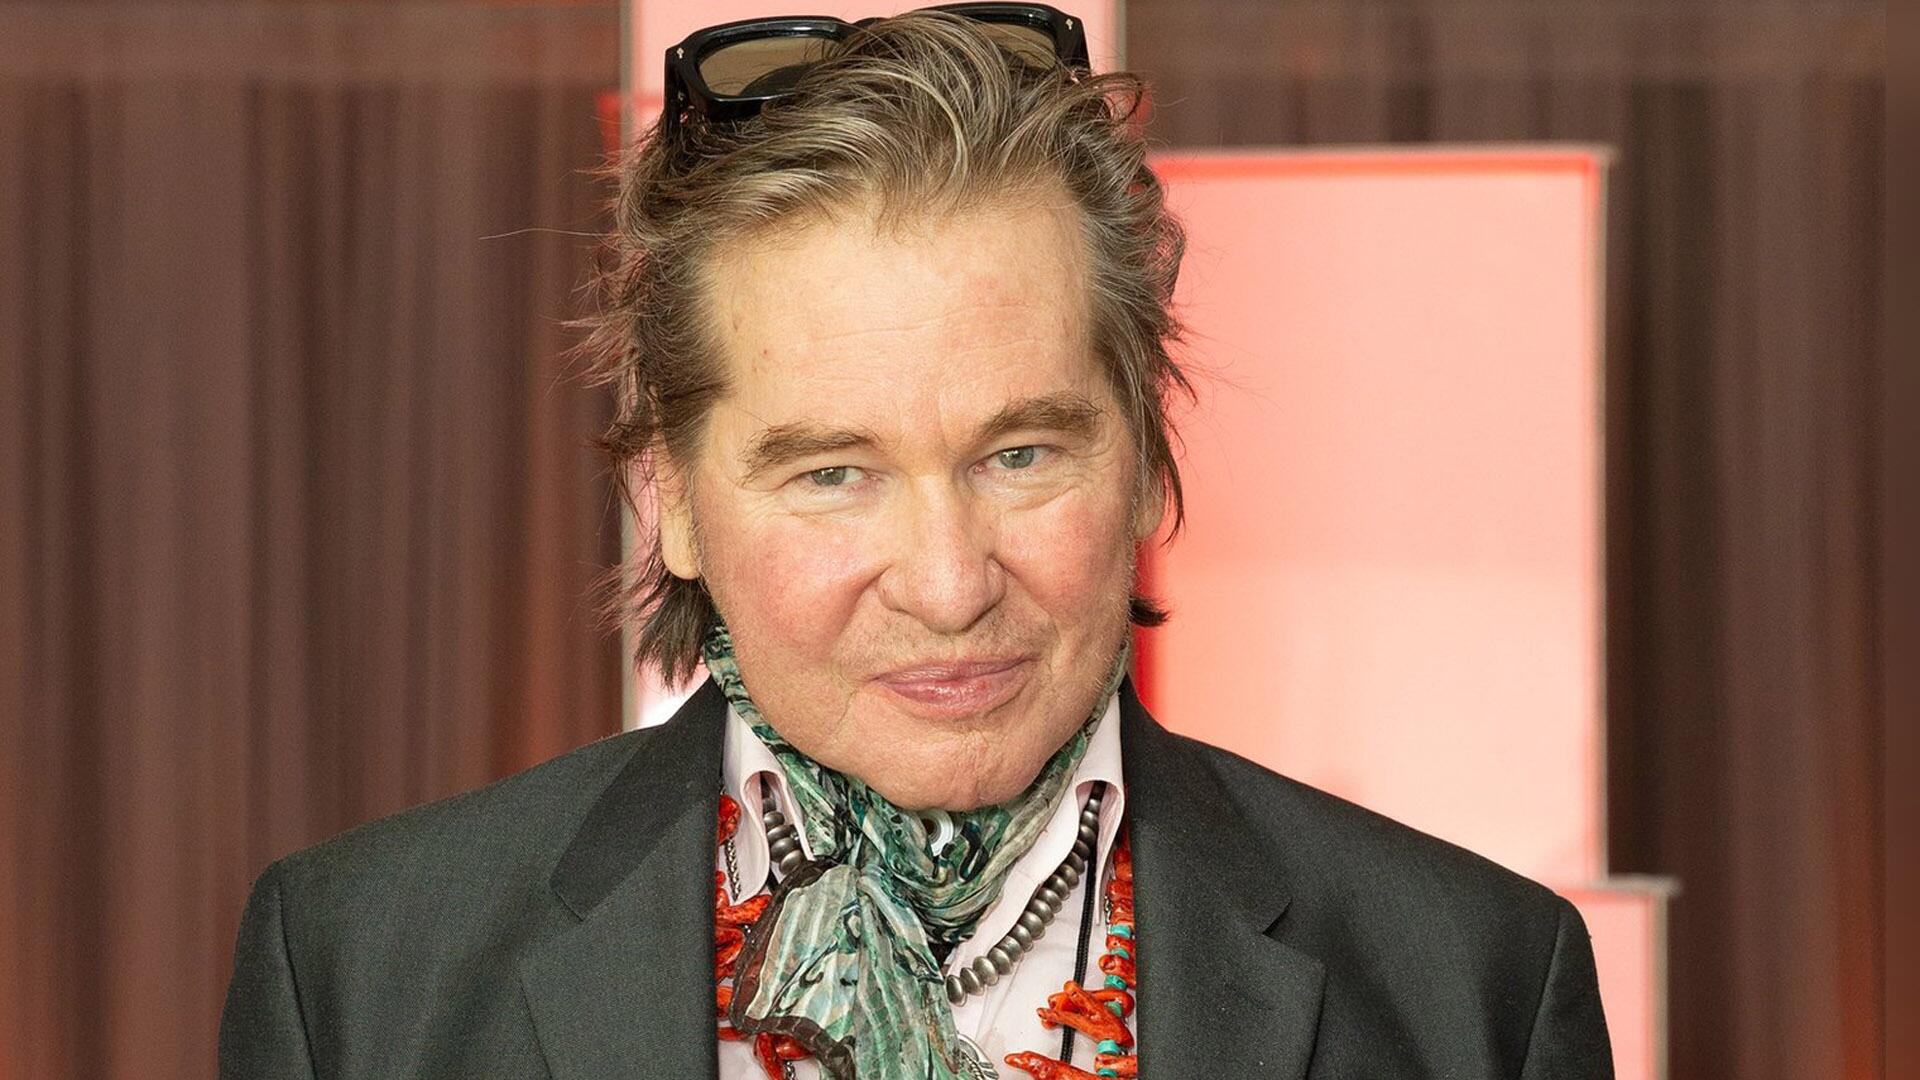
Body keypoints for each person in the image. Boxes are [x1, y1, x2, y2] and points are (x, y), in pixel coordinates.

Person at [218, 7, 1613, 1079]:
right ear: (675, 500)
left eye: (1022, 455)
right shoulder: (358, 973)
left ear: (1145, 457)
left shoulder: (1474, 986)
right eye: (834, 474)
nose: (949, 587)